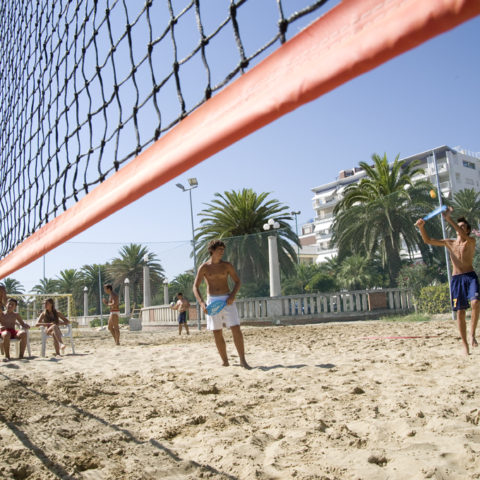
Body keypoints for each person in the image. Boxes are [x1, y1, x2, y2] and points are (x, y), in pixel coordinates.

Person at [416, 207, 479, 355]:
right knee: (460, 313)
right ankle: (465, 345)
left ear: (468, 230)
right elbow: (427, 240)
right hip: (457, 279)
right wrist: (421, 227)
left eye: (463, 226)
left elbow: (463, 233)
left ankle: (472, 334)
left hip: (470, 276)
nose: (460, 228)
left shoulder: (471, 241)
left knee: (476, 302)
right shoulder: (449, 242)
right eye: (459, 226)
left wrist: (449, 219)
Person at [193, 239, 250, 368]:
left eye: (223, 250)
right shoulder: (204, 267)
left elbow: (237, 281)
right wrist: (202, 303)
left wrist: (232, 295)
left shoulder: (227, 265)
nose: (222, 252)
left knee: (236, 328)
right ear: (212, 251)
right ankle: (225, 361)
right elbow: (195, 287)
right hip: (212, 300)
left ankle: (243, 360)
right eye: (219, 250)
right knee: (217, 331)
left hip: (227, 299)